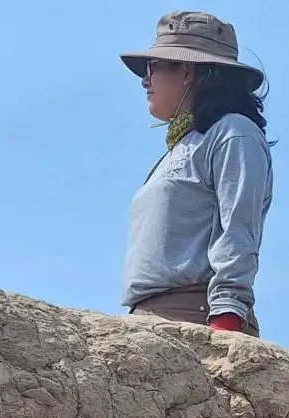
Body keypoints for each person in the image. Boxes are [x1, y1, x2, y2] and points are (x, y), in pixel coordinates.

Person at [119, 11, 272, 335]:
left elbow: (238, 229)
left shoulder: (233, 133)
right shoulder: (182, 147)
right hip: (149, 320)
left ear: (187, 71)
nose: (145, 80)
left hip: (194, 317)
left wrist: (225, 321)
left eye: (153, 67)